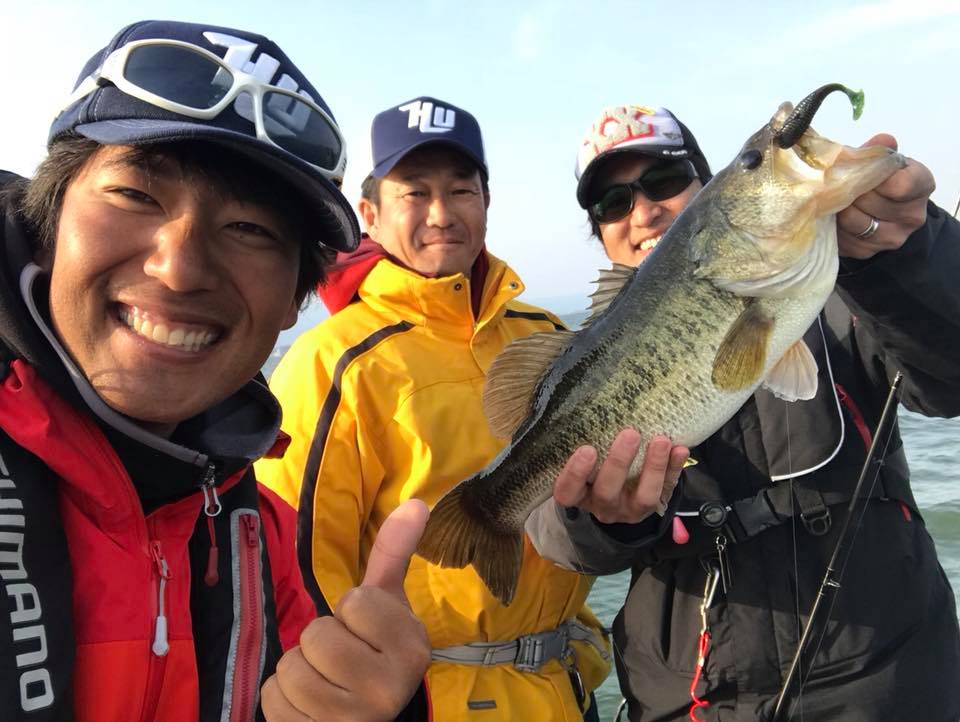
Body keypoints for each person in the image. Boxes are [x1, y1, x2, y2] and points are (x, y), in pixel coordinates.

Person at [0, 20, 430, 722]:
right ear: (46, 224)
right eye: (135, 195)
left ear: (293, 300)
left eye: (250, 230)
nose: (179, 268)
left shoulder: (262, 537)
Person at [525, 103, 960, 721]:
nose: (643, 212)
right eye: (612, 203)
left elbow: (947, 381)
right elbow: (553, 532)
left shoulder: (842, 287)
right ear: (600, 233)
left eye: (664, 180)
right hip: (691, 699)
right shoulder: (583, 359)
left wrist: (908, 256)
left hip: (884, 681)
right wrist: (604, 521)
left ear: (708, 191)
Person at [256, 96, 614, 721]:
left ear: (487, 203)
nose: (442, 214)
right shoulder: (332, 360)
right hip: (424, 700)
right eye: (414, 193)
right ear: (370, 214)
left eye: (461, 190)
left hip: (562, 689)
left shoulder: (549, 334)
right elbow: (292, 574)